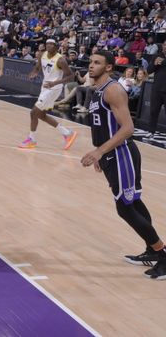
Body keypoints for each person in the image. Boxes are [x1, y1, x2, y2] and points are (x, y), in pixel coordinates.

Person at [81, 51, 166, 280]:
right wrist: (100, 154)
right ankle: (152, 249)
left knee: (125, 207)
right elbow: (100, 127)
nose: (91, 66)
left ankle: (162, 254)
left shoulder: (113, 90)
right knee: (133, 202)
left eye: (97, 63)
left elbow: (128, 128)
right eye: (90, 62)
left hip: (122, 154)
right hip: (110, 155)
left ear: (109, 67)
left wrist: (100, 150)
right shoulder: (96, 90)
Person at [18, 39, 77, 149]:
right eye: (47, 44)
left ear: (56, 46)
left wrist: (55, 82)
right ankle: (67, 133)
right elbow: (37, 67)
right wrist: (34, 73)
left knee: (33, 112)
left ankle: (32, 139)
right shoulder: (42, 55)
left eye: (51, 44)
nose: (49, 45)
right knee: (41, 114)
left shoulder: (60, 60)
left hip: (54, 88)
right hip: (45, 87)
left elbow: (70, 76)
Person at [145, 46, 166, 141]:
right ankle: (151, 131)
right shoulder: (156, 56)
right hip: (157, 89)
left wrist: (163, 62)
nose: (165, 46)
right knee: (153, 111)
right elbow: (149, 70)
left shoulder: (161, 59)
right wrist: (155, 63)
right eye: (165, 44)